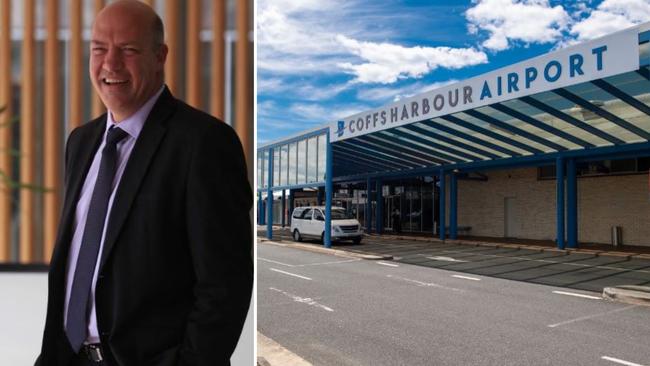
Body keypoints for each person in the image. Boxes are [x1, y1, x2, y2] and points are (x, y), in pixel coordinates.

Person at [35, 1, 252, 365]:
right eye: (99, 49)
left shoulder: (203, 143)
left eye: (129, 50)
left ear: (160, 55)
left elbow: (224, 285)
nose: (110, 64)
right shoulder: (82, 142)